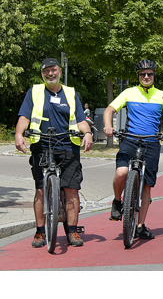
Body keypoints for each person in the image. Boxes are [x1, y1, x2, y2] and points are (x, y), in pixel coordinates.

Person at [15, 58, 94, 248]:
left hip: (68, 145)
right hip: (41, 144)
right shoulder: (34, 91)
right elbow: (24, 116)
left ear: (60, 70)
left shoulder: (70, 92)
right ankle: (40, 232)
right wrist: (19, 134)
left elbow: (81, 119)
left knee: (71, 189)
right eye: (46, 71)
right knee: (41, 189)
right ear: (42, 74)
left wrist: (88, 133)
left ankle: (72, 231)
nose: (50, 74)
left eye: (53, 70)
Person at [103, 60, 163, 239]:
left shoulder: (162, 95)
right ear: (138, 76)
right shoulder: (129, 93)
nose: (146, 77)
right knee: (121, 173)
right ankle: (116, 201)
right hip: (130, 139)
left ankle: (140, 225)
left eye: (149, 74)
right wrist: (107, 126)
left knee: (147, 187)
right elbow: (109, 110)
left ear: (154, 76)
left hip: (151, 142)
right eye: (143, 74)